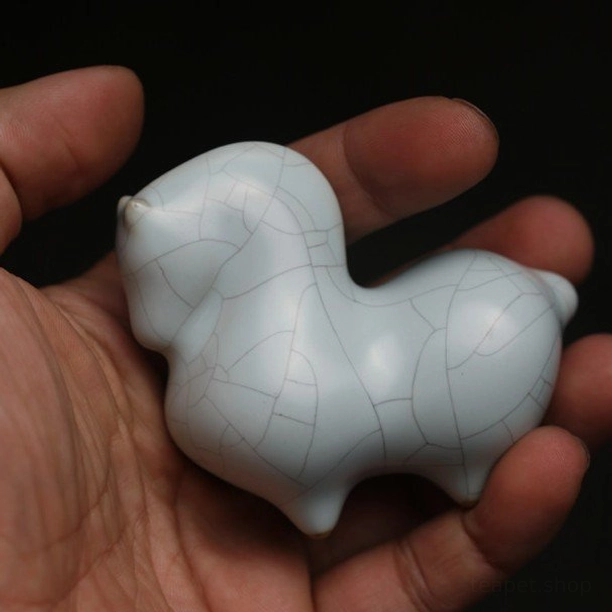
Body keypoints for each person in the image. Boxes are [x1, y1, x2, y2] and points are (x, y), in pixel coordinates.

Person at [0, 65, 610, 611]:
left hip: (494, 337)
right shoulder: (232, 362)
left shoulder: (267, 379)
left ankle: (456, 464)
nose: (149, 331)